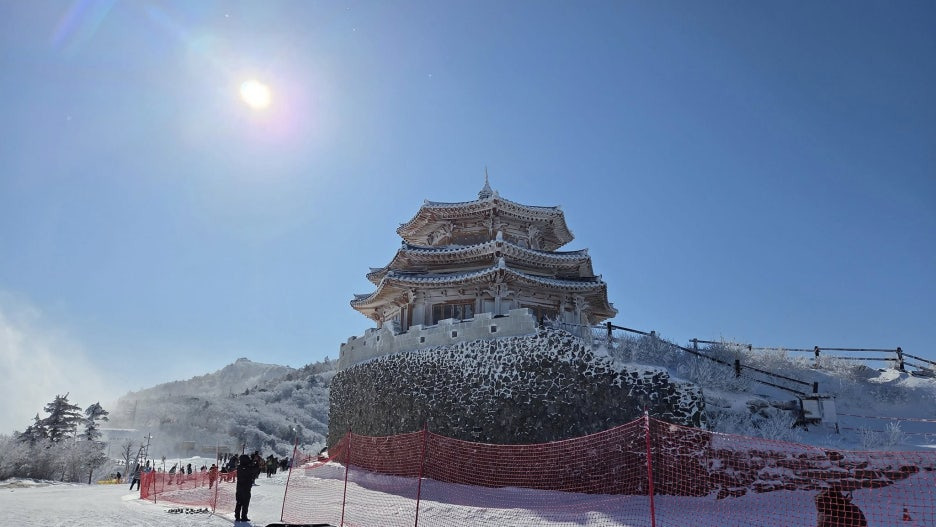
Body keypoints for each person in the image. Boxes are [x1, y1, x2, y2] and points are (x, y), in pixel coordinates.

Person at [234, 454, 256, 522]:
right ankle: (244, 516)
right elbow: (256, 469)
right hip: (246, 488)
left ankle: (237, 516)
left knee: (239, 502)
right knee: (245, 503)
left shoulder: (239, 467)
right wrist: (252, 460)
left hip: (239, 488)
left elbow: (249, 467)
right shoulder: (249, 468)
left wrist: (250, 461)